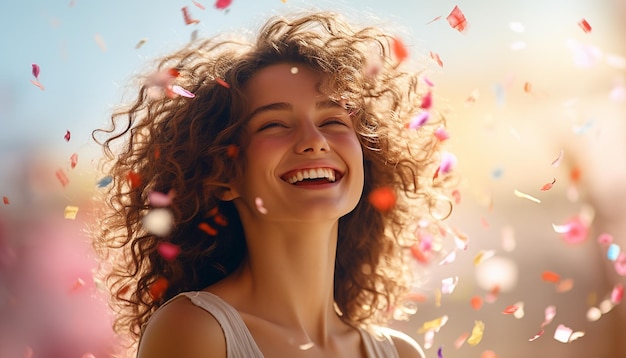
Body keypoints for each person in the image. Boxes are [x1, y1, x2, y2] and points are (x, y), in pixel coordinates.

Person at [91, 10, 456, 358]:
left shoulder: (400, 353)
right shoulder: (195, 332)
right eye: (274, 124)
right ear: (223, 174)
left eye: (333, 120)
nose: (315, 140)